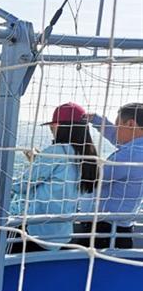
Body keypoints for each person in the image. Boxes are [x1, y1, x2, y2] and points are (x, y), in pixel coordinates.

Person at [9, 103, 98, 253]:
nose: (52, 132)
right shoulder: (87, 156)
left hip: (36, 231)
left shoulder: (56, 151)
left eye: (53, 127)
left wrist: (37, 163)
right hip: (63, 234)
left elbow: (22, 185)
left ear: (62, 127)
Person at [73, 102, 143, 249]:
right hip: (122, 230)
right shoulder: (136, 150)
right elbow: (116, 136)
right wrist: (96, 120)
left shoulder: (130, 155)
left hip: (104, 232)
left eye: (118, 124)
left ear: (131, 124)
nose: (115, 129)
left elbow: (93, 179)